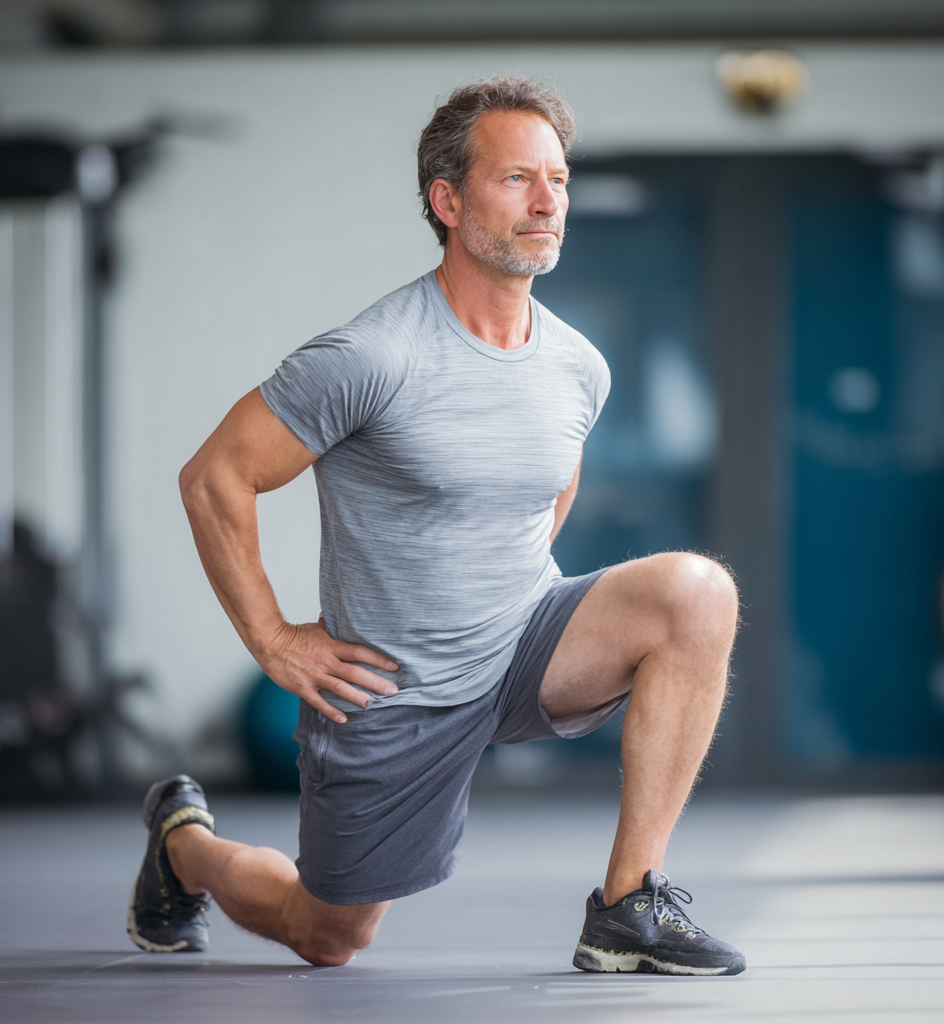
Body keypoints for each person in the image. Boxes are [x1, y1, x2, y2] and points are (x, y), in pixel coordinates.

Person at [127, 75, 745, 977]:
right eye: (517, 180)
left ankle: (627, 907)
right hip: (394, 687)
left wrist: (514, 594)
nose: (548, 202)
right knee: (328, 934)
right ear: (447, 201)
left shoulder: (579, 366)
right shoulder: (370, 356)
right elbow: (214, 478)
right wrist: (272, 638)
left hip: (524, 643)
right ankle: (184, 845)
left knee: (698, 593)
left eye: (561, 180)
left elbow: (549, 490)